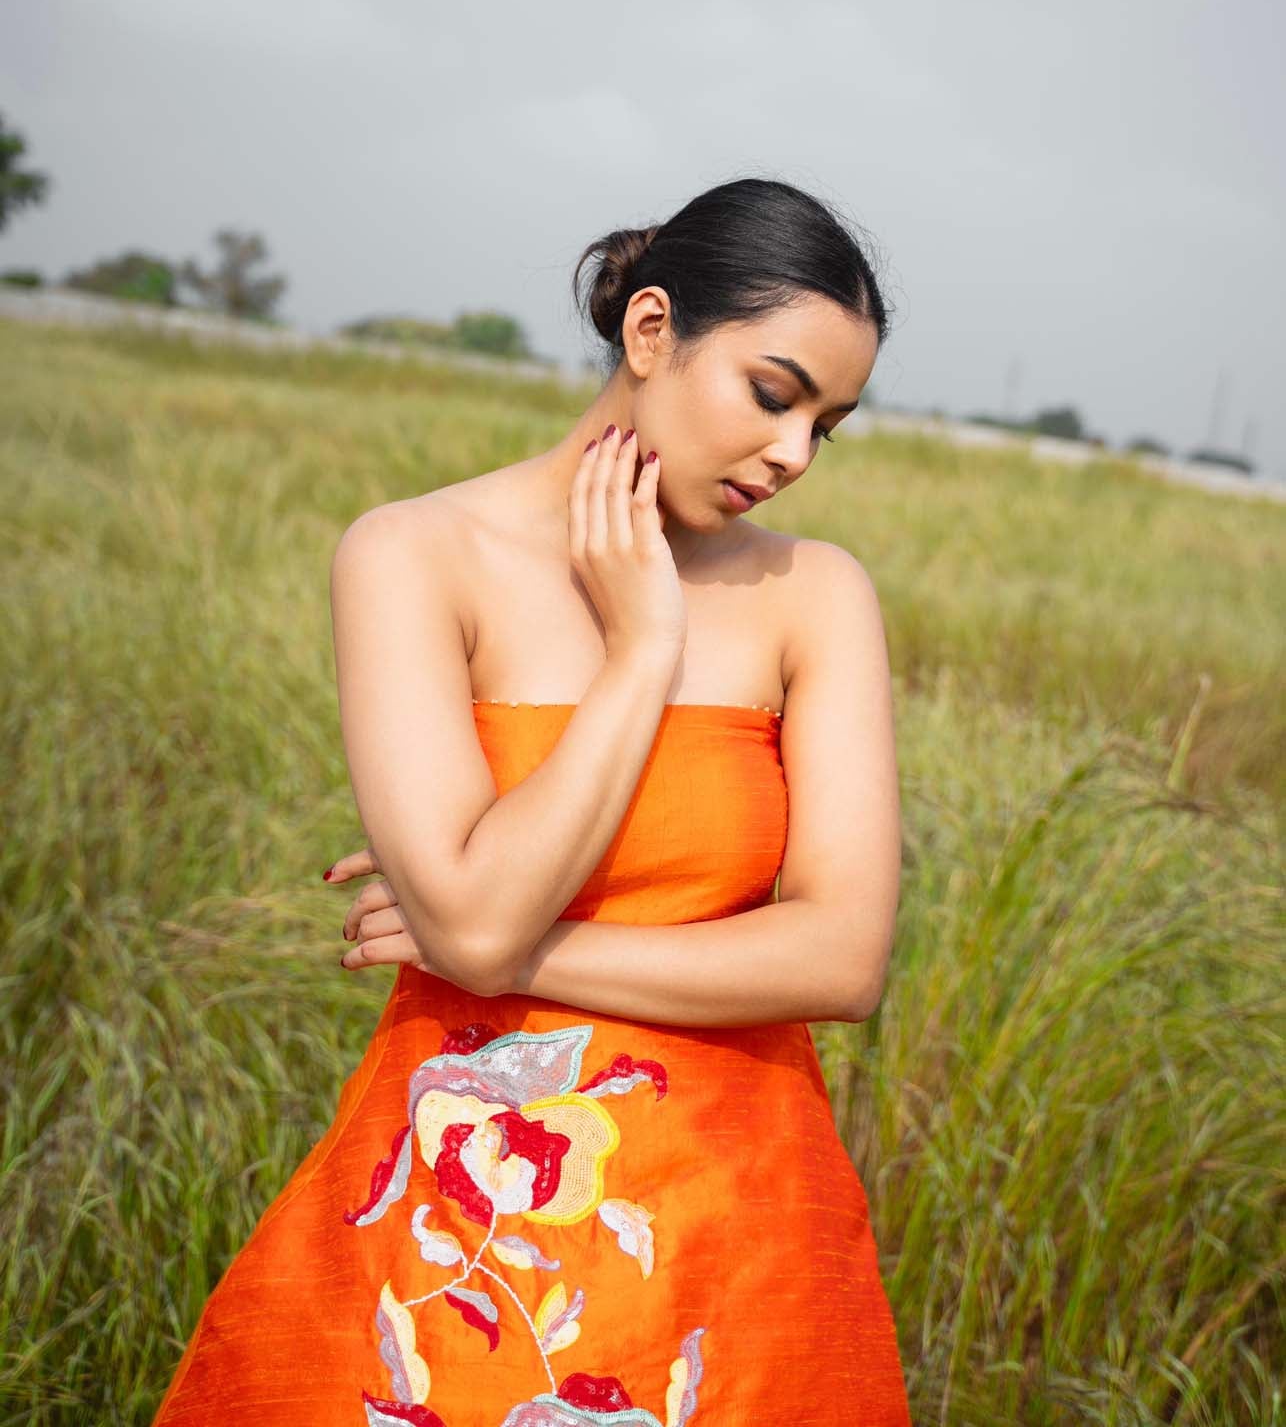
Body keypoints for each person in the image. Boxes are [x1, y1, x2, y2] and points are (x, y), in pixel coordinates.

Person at [152, 176, 912, 1425]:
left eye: (823, 425)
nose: (789, 454)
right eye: (772, 394)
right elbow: (473, 920)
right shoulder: (412, 556)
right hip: (460, 1239)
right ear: (651, 330)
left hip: (746, 1245)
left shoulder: (812, 593)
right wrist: (642, 653)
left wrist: (514, 953)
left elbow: (841, 957)